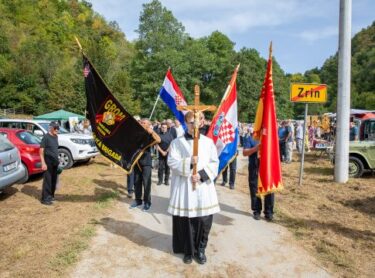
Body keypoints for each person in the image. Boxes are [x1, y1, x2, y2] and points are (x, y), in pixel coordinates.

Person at [168, 111, 220, 265]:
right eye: (191, 122)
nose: (195, 125)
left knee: (204, 220)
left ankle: (201, 249)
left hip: (203, 187)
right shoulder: (177, 143)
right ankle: (188, 251)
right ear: (186, 123)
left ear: (203, 122)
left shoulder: (208, 142)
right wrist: (189, 162)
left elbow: (214, 162)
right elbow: (172, 162)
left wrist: (202, 175)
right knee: (187, 220)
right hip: (185, 186)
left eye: (198, 121)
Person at [243, 134, 274, 221]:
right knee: (254, 189)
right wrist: (255, 149)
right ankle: (257, 211)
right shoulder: (251, 138)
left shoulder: (270, 137)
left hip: (268, 167)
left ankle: (269, 212)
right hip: (254, 167)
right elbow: (244, 153)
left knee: (269, 189)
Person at [129, 119, 154, 212]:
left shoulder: (150, 133)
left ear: (148, 125)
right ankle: (138, 200)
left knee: (146, 182)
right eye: (141, 122)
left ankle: (147, 202)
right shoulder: (136, 133)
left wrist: (151, 133)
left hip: (146, 162)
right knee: (136, 181)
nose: (141, 124)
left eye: (144, 123)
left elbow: (158, 140)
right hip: (136, 161)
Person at [40, 121, 60, 205]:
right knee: (48, 180)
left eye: (58, 128)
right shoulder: (46, 137)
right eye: (55, 128)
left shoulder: (56, 136)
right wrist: (43, 163)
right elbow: (41, 151)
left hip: (55, 161)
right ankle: (45, 199)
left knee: (54, 180)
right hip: (48, 161)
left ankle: (51, 196)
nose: (57, 130)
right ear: (51, 128)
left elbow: (55, 149)